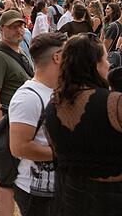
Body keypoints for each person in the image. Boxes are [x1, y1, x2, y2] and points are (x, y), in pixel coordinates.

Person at [44, 32, 122, 214]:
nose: (109, 64)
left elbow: (56, 153)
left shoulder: (53, 105)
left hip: (70, 197)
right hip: (111, 200)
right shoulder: (114, 103)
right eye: (105, 59)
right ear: (95, 64)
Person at [9, 32, 66, 216]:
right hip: (37, 193)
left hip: (59, 189)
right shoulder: (28, 97)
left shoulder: (59, 90)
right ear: (57, 57)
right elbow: (19, 147)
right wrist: (66, 153)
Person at [0, 10, 34, 215]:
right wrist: (0, 130)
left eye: (21, 26)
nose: (18, 30)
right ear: (1, 29)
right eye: (13, 26)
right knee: (6, 179)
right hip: (7, 124)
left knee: (6, 176)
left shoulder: (21, 50)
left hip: (17, 122)